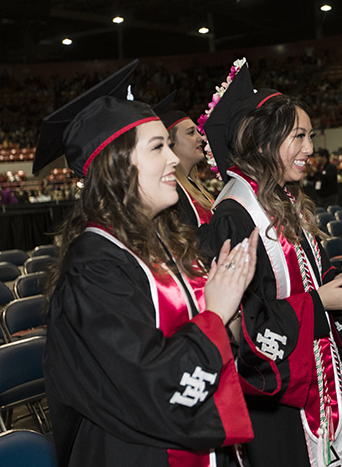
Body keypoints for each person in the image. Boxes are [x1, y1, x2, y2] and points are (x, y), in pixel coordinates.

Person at [35, 61, 256, 467]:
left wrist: (233, 322)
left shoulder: (159, 243)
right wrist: (216, 313)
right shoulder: (93, 270)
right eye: (158, 146)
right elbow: (151, 384)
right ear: (116, 166)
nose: (174, 159)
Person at [200, 59, 342, 467]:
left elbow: (314, 275)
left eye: (310, 136)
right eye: (299, 136)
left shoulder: (284, 202)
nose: (310, 148)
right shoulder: (235, 217)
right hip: (277, 398)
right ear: (263, 141)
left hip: (319, 377)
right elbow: (244, 322)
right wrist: (323, 303)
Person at [153, 92, 214, 227]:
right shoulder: (172, 197)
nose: (200, 137)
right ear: (171, 142)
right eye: (191, 132)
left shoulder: (194, 186)